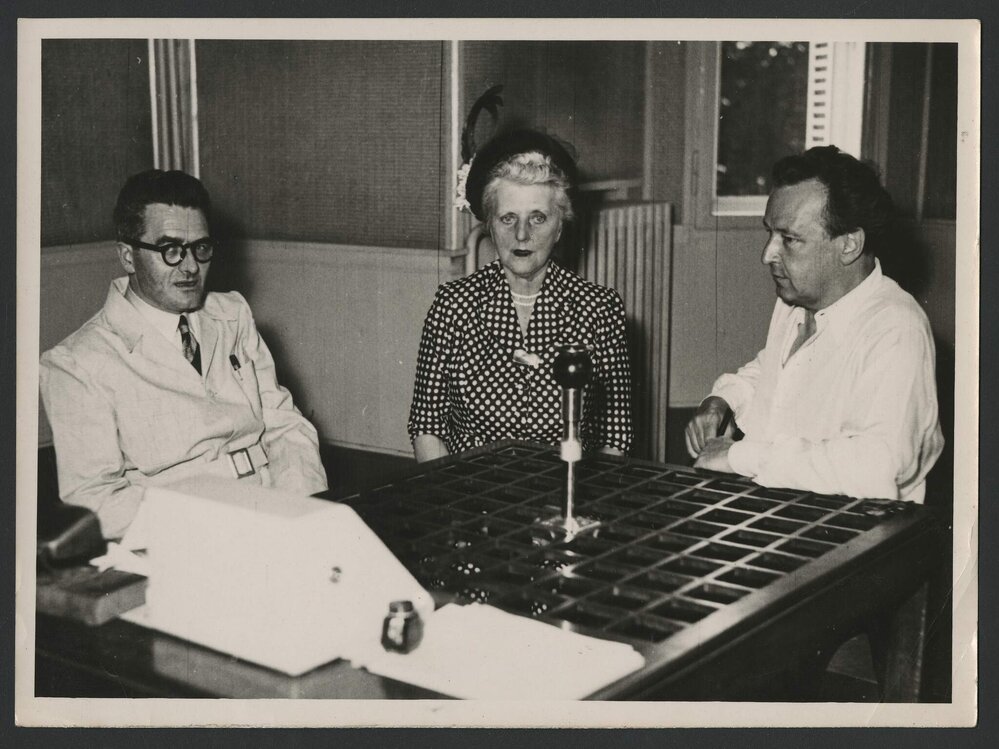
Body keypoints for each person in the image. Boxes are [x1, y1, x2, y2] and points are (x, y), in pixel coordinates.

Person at [40, 169, 328, 539]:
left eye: (201, 248)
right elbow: (95, 503)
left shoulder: (232, 314)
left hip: (275, 510)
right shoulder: (76, 363)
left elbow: (286, 427)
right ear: (128, 256)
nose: (191, 267)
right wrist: (215, 518)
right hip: (180, 537)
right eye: (170, 250)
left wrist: (300, 515)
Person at [685, 145, 943, 502]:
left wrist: (738, 456)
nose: (767, 255)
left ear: (849, 244)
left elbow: (875, 466)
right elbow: (776, 370)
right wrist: (724, 399)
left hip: (854, 535)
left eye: (789, 239)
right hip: (777, 508)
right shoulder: (798, 301)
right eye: (770, 234)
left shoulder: (897, 330)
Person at [408, 129, 633, 462]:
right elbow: (426, 426)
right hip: (470, 491)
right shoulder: (452, 305)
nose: (522, 234)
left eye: (538, 218)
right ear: (491, 225)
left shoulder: (599, 309)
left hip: (565, 493)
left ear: (560, 226)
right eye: (508, 218)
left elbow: (616, 436)